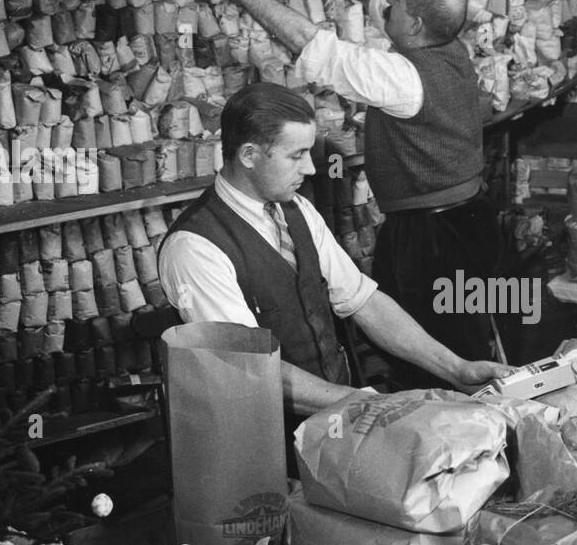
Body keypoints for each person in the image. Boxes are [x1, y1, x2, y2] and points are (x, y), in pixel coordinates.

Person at [191, 0, 500, 390]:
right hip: (470, 218)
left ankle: (446, 446)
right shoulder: (448, 45)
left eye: (398, 2)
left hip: (433, 234)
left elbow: (310, 44)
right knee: (468, 333)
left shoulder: (402, 77)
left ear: (415, 23)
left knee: (435, 350)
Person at [158, 83, 511, 422]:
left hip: (334, 419)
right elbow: (251, 367)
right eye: (296, 156)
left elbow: (362, 301)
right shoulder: (195, 248)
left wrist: (456, 369)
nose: (310, 169)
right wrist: (378, 404)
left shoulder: (295, 209)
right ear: (249, 155)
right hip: (261, 443)